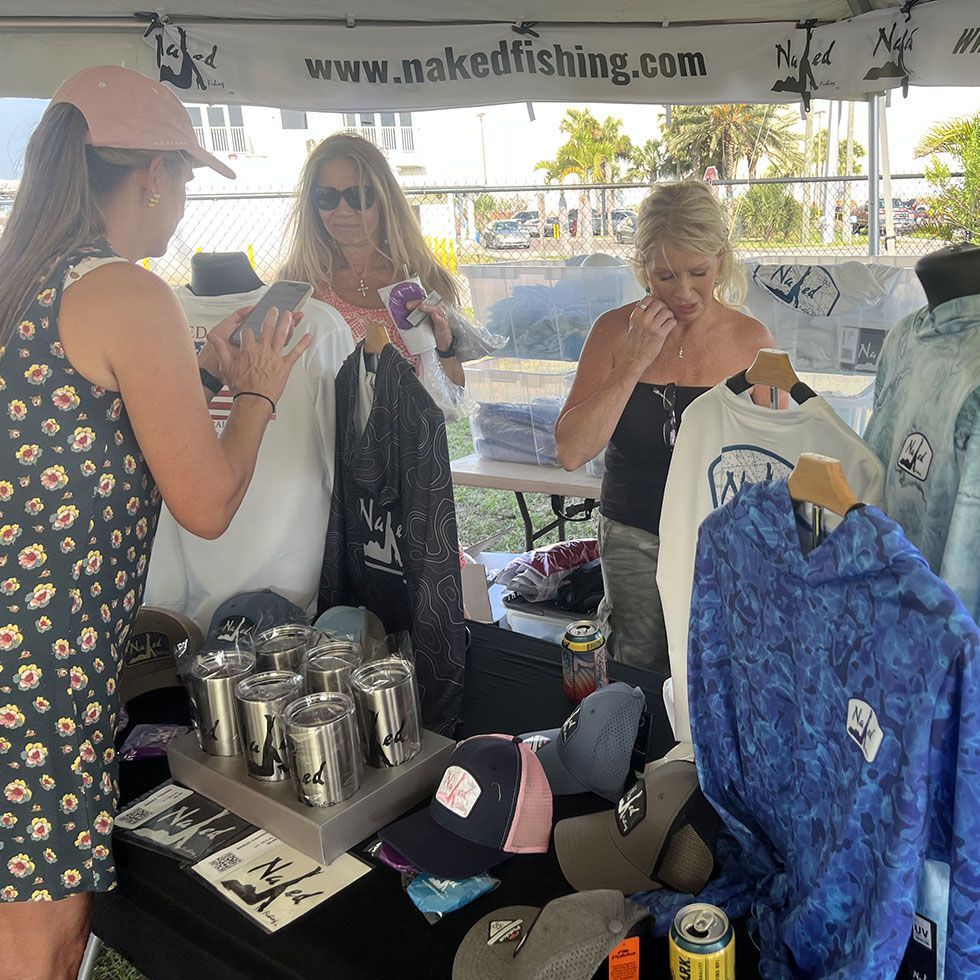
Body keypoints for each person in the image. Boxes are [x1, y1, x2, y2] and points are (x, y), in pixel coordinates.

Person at [0, 67, 310, 979]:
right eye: (181, 181)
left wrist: (202, 378)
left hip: (25, 653)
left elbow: (75, 425)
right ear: (150, 176)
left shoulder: (24, 281)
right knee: (42, 950)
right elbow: (208, 503)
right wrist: (255, 390)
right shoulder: (129, 294)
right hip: (38, 672)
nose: (179, 206)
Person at [556, 181, 776, 671]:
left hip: (716, 540)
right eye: (664, 276)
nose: (683, 293)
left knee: (713, 668)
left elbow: (774, 462)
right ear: (643, 270)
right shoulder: (614, 332)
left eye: (698, 272)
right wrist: (632, 363)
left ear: (722, 257)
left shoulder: (751, 342)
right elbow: (572, 450)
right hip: (633, 534)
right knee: (636, 666)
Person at [278, 133, 465, 388]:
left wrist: (445, 349)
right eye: (326, 196)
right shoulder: (297, 285)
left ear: (384, 199)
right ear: (312, 203)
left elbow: (454, 393)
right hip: (324, 429)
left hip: (409, 428)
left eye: (359, 195)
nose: (343, 210)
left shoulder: (427, 279)